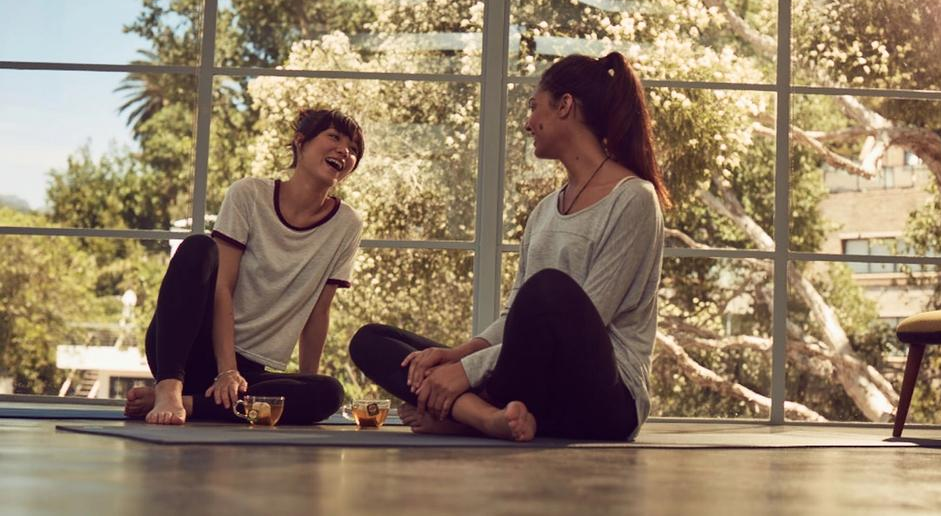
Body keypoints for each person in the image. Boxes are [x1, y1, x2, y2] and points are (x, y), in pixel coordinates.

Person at [350, 52, 667, 442]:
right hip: (536, 398)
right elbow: (515, 318)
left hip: (603, 402)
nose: (527, 122)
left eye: (534, 107)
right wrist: (456, 357)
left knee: (548, 290)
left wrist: (465, 372)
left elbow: (589, 317)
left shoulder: (633, 199)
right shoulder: (544, 211)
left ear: (564, 105)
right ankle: (486, 418)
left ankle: (466, 414)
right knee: (371, 341)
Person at [124, 109, 365, 425]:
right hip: (189, 350)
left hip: (249, 373)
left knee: (329, 393)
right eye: (334, 137)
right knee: (198, 247)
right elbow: (223, 287)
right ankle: (168, 389)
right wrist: (226, 370)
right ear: (301, 142)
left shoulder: (346, 224)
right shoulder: (249, 194)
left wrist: (307, 385)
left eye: (354, 149)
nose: (344, 151)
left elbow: (319, 313)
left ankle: (191, 404)